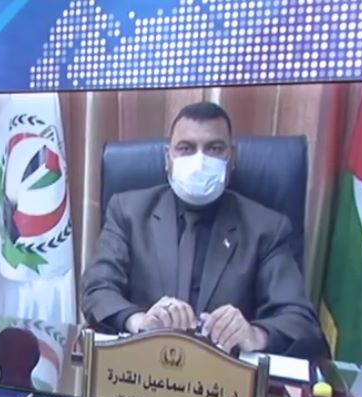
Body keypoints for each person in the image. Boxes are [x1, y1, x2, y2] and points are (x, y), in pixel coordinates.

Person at [80, 102, 325, 359]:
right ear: (167, 158)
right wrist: (139, 321)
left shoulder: (267, 228)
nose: (199, 161)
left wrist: (255, 335)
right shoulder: (128, 211)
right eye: (186, 148)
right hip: (142, 366)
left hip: (226, 372)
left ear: (232, 158)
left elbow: (299, 320)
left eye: (214, 149)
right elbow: (97, 289)